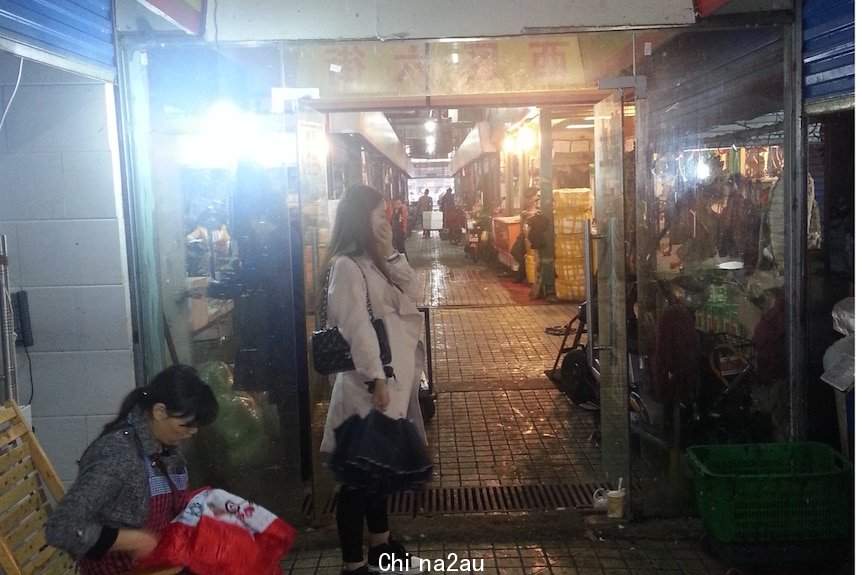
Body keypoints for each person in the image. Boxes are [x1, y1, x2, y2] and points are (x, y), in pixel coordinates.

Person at [319, 184, 427, 575]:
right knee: (354, 481)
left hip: (387, 382)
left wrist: (392, 249)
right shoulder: (346, 266)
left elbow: (415, 290)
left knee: (374, 473)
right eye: (380, 214)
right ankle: (354, 563)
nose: (386, 220)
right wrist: (376, 379)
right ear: (361, 218)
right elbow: (356, 327)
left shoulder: (373, 258)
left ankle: (381, 546)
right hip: (366, 387)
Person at [46, 364, 219, 575]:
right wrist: (133, 540)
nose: (193, 432)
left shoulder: (165, 443)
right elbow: (61, 527)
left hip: (164, 557)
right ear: (160, 412)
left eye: (196, 426)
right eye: (186, 425)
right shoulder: (119, 454)